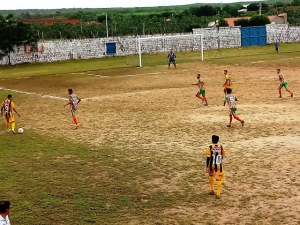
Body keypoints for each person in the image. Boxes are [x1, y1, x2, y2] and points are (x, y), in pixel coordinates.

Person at [206, 135, 226, 199]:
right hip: (219, 165)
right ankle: (218, 193)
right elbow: (223, 155)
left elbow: (208, 158)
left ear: (212, 140)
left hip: (212, 164)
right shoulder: (221, 147)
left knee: (211, 175)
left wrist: (207, 166)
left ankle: (212, 190)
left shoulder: (210, 147)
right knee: (218, 178)